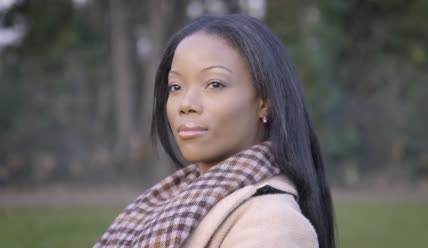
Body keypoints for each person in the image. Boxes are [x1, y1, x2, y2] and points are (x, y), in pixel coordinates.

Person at [94, 14, 335, 248]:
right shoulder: (172, 200)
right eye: (175, 86)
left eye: (214, 84)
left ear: (264, 102)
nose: (186, 104)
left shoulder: (274, 225)